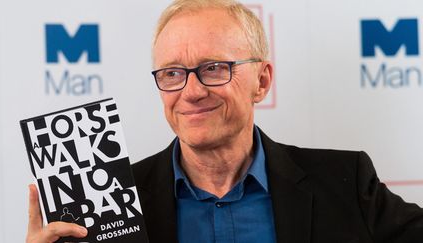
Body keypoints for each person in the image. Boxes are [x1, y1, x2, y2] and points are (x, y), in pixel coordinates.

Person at [26, 0, 423, 242]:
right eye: (172, 73)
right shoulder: (104, 201)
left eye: (214, 68)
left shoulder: (347, 180)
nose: (192, 91)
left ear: (262, 80)